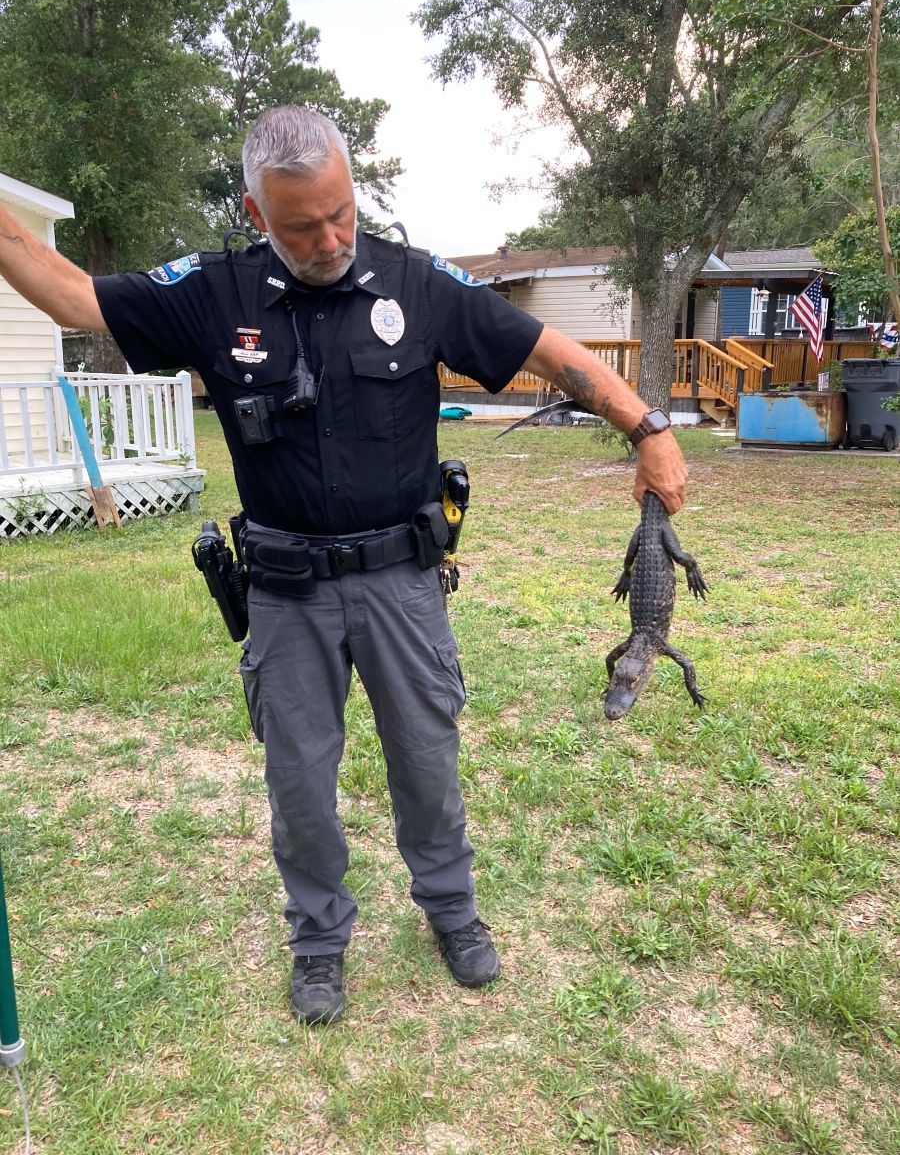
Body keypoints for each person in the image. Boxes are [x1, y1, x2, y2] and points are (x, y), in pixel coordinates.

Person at [0, 107, 687, 1025]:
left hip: (403, 581)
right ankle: (319, 942)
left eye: (341, 215)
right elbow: (78, 298)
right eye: (299, 226)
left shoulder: (415, 282)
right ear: (255, 212)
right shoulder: (212, 291)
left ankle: (452, 912)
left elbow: (547, 352)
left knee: (426, 762)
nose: (327, 240)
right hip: (284, 591)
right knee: (300, 782)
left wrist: (646, 429)